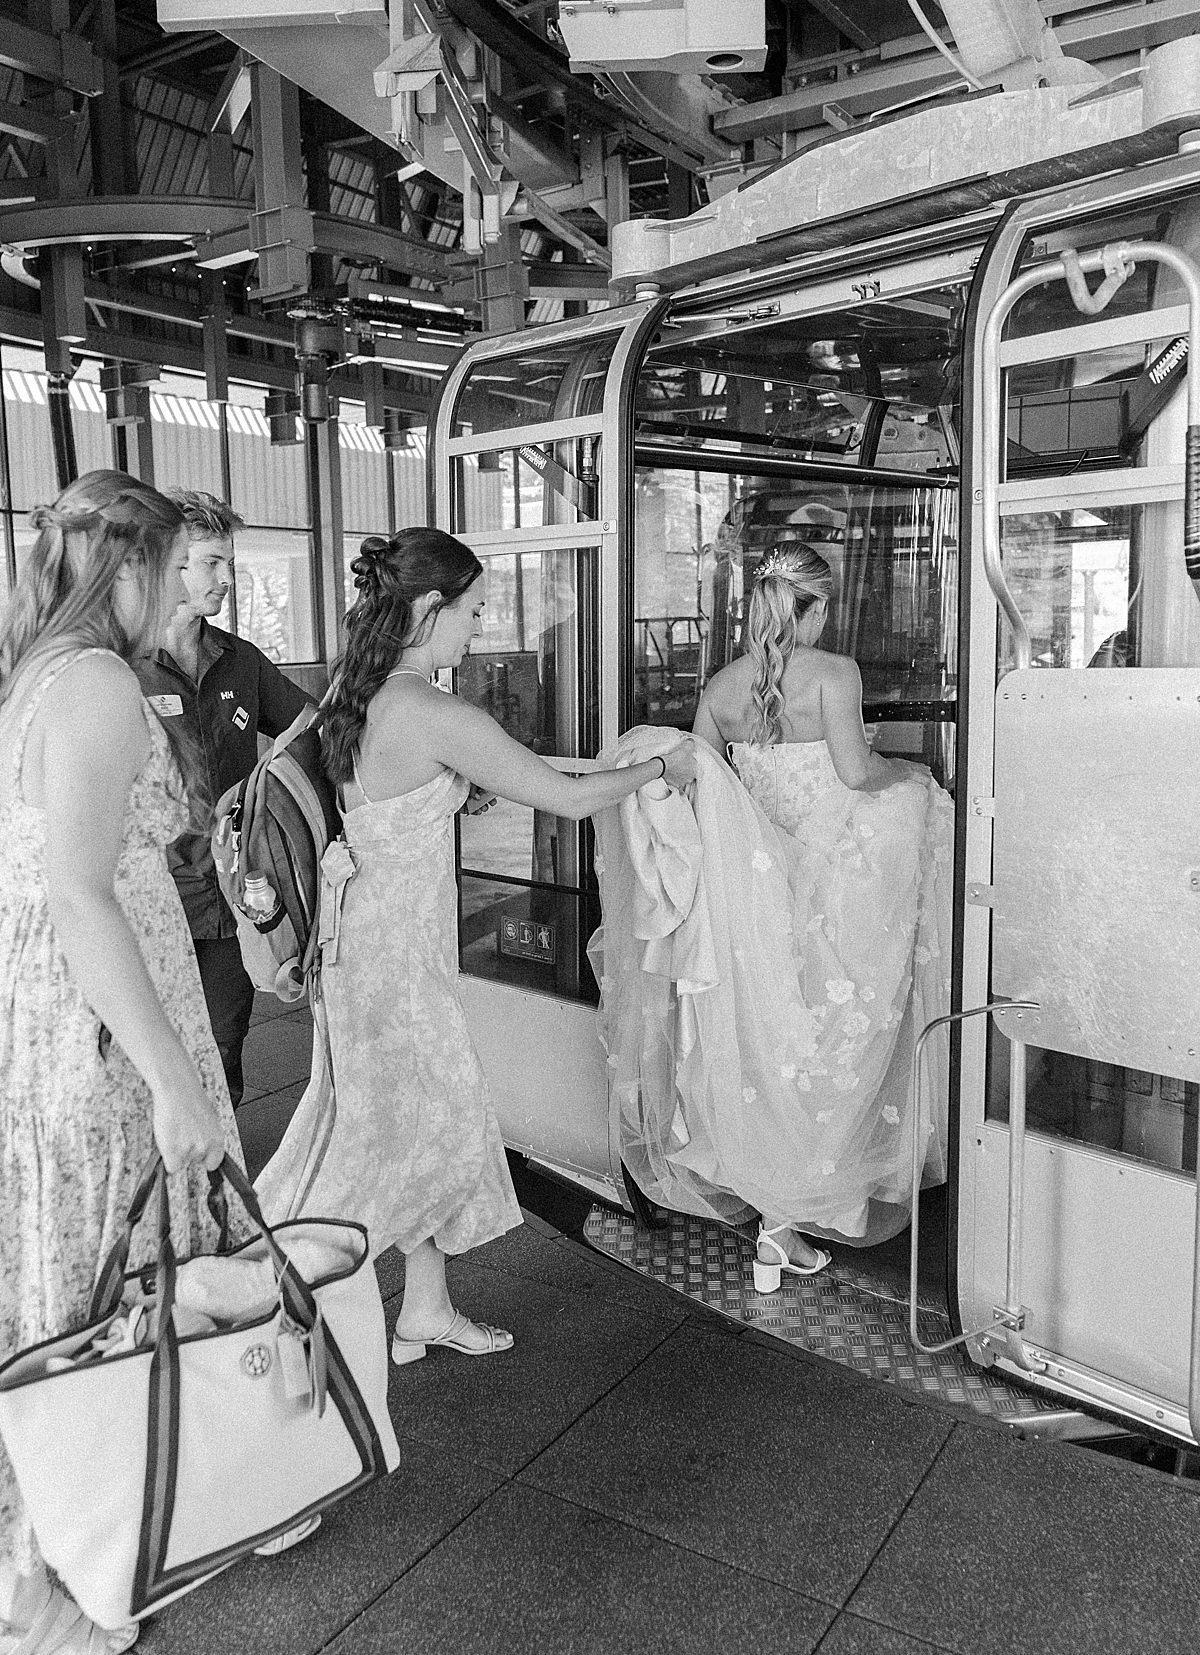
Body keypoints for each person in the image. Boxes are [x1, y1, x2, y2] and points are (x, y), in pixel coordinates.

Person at [257, 528, 695, 1364]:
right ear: (429, 609)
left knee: (405, 1122)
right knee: (381, 1136)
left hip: (368, 951)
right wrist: (656, 770)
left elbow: (388, 792)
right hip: (399, 966)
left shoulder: (364, 689)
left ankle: (421, 1306)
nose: (481, 629)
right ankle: (266, 1307)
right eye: (475, 611)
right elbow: (565, 798)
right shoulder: (435, 709)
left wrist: (452, 794)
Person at [0, 473, 243, 1655]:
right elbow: (87, 897)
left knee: (66, 1280)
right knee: (105, 1275)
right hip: (105, 1023)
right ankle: (53, 1578)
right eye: (178, 563)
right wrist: (176, 1078)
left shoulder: (37, 671)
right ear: (131, 565)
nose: (191, 593)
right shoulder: (94, 680)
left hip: (56, 1013)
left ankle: (68, 1552)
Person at [687, 541, 954, 1283]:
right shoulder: (836, 673)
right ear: (815, 606)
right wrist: (913, 770)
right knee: (833, 1047)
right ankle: (788, 1219)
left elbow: (702, 788)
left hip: (754, 897)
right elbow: (856, 772)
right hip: (837, 887)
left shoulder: (720, 688)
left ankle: (777, 1226)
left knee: (773, 1049)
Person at [132, 491, 314, 1110]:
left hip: (229, 901)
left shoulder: (241, 662)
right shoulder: (117, 668)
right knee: (144, 1062)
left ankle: (219, 1191)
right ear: (170, 562)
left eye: (230, 563)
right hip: (147, 902)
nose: (228, 579)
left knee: (221, 1048)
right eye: (212, 562)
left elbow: (314, 734)